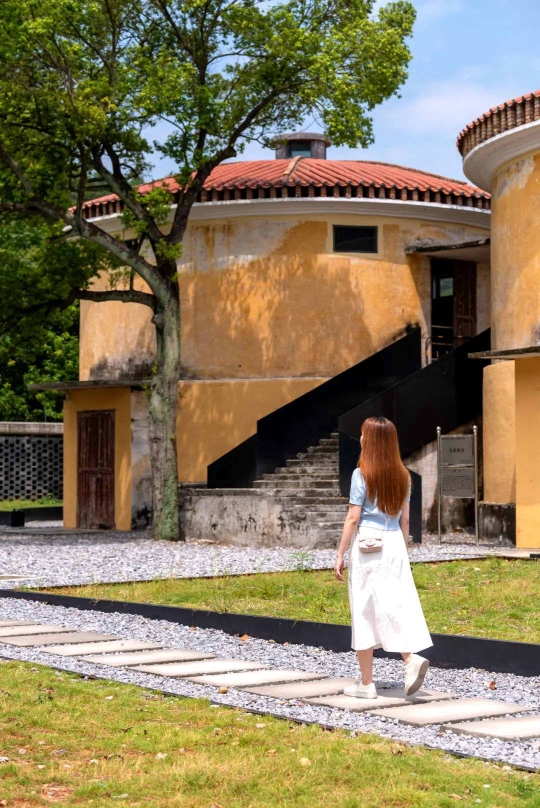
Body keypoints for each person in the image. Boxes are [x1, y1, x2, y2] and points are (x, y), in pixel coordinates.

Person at [334, 416, 432, 699]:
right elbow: (405, 521)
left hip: (368, 544)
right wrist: (401, 552)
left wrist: (339, 553)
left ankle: (368, 683)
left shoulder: (361, 474)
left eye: (364, 434)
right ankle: (407, 660)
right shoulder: (404, 475)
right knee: (393, 602)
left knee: (364, 608)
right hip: (394, 544)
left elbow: (353, 518)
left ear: (372, 441)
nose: (361, 437)